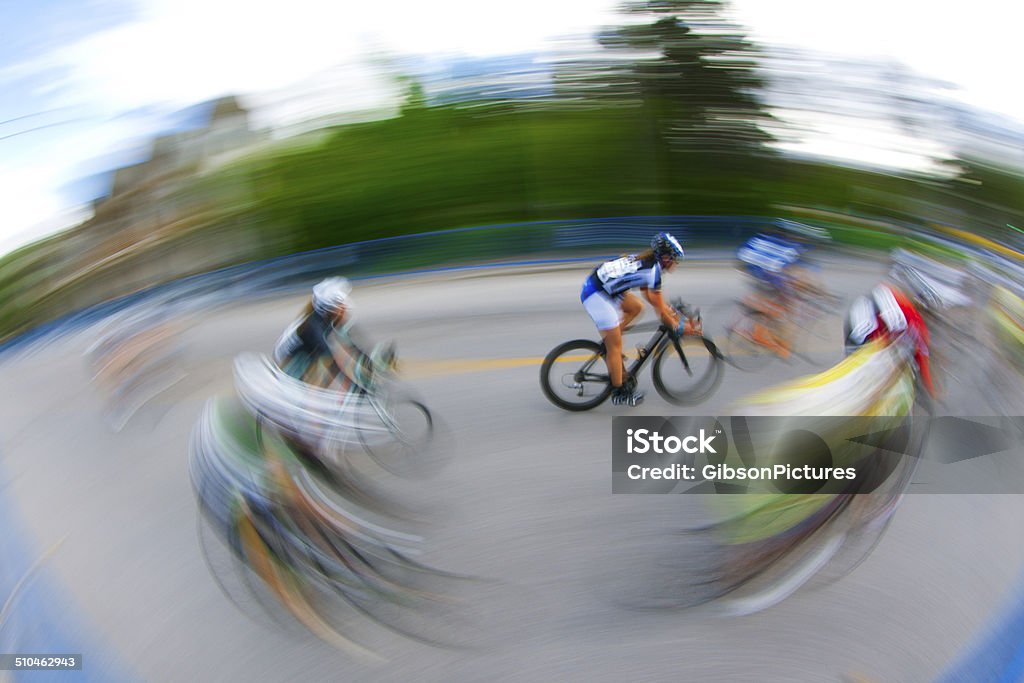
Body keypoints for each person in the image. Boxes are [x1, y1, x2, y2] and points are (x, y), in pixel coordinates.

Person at [580, 232, 686, 407]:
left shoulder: (649, 263)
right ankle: (619, 392)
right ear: (666, 257)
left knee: (636, 308)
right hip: (596, 294)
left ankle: (612, 337)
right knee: (615, 347)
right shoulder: (653, 272)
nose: (676, 264)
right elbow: (660, 310)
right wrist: (677, 323)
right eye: (675, 259)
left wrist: (669, 312)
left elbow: (650, 296)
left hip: (603, 286)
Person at [273, 277, 395, 395]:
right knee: (320, 381)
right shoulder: (314, 328)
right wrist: (354, 386)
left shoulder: (329, 317)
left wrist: (369, 361)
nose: (345, 312)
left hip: (309, 352)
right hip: (291, 359)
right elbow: (333, 365)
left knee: (331, 363)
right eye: (341, 308)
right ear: (331, 309)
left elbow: (352, 344)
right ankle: (312, 411)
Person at [844, 279, 935, 398]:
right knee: (880, 376)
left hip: (854, 319)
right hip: (863, 335)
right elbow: (922, 360)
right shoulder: (916, 322)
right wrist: (931, 389)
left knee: (855, 371)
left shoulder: (894, 292)